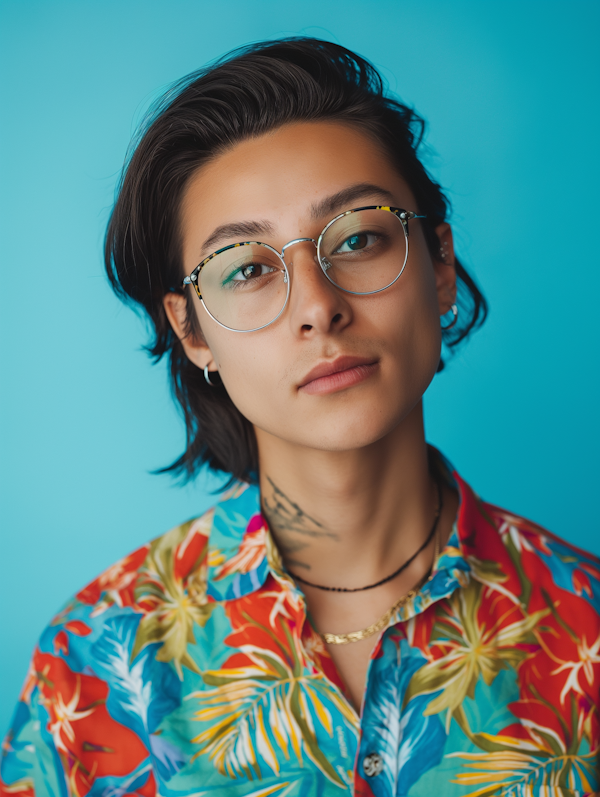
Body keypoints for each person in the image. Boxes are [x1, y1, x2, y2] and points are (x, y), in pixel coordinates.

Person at [1, 37, 599, 797]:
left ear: (439, 266)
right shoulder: (96, 658)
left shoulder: (586, 631)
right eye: (248, 269)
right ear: (192, 332)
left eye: (357, 238)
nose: (319, 307)